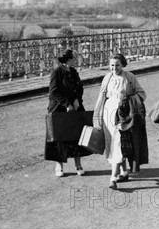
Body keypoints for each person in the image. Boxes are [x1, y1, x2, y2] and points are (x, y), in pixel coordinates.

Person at [93, 53, 148, 189]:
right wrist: (97, 116)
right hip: (108, 113)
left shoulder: (129, 77)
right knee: (112, 142)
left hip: (123, 115)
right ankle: (123, 172)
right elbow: (101, 98)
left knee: (118, 141)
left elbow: (142, 94)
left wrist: (127, 101)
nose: (114, 68)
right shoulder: (107, 78)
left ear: (123, 64)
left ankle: (113, 177)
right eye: (112, 65)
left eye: (117, 65)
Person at [45, 49, 89, 177]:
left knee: (77, 136)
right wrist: (67, 104)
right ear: (69, 59)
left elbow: (80, 88)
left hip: (75, 107)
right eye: (74, 58)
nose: (75, 59)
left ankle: (78, 164)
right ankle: (59, 166)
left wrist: (77, 100)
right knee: (59, 138)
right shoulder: (57, 72)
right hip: (59, 109)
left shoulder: (73, 71)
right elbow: (53, 92)